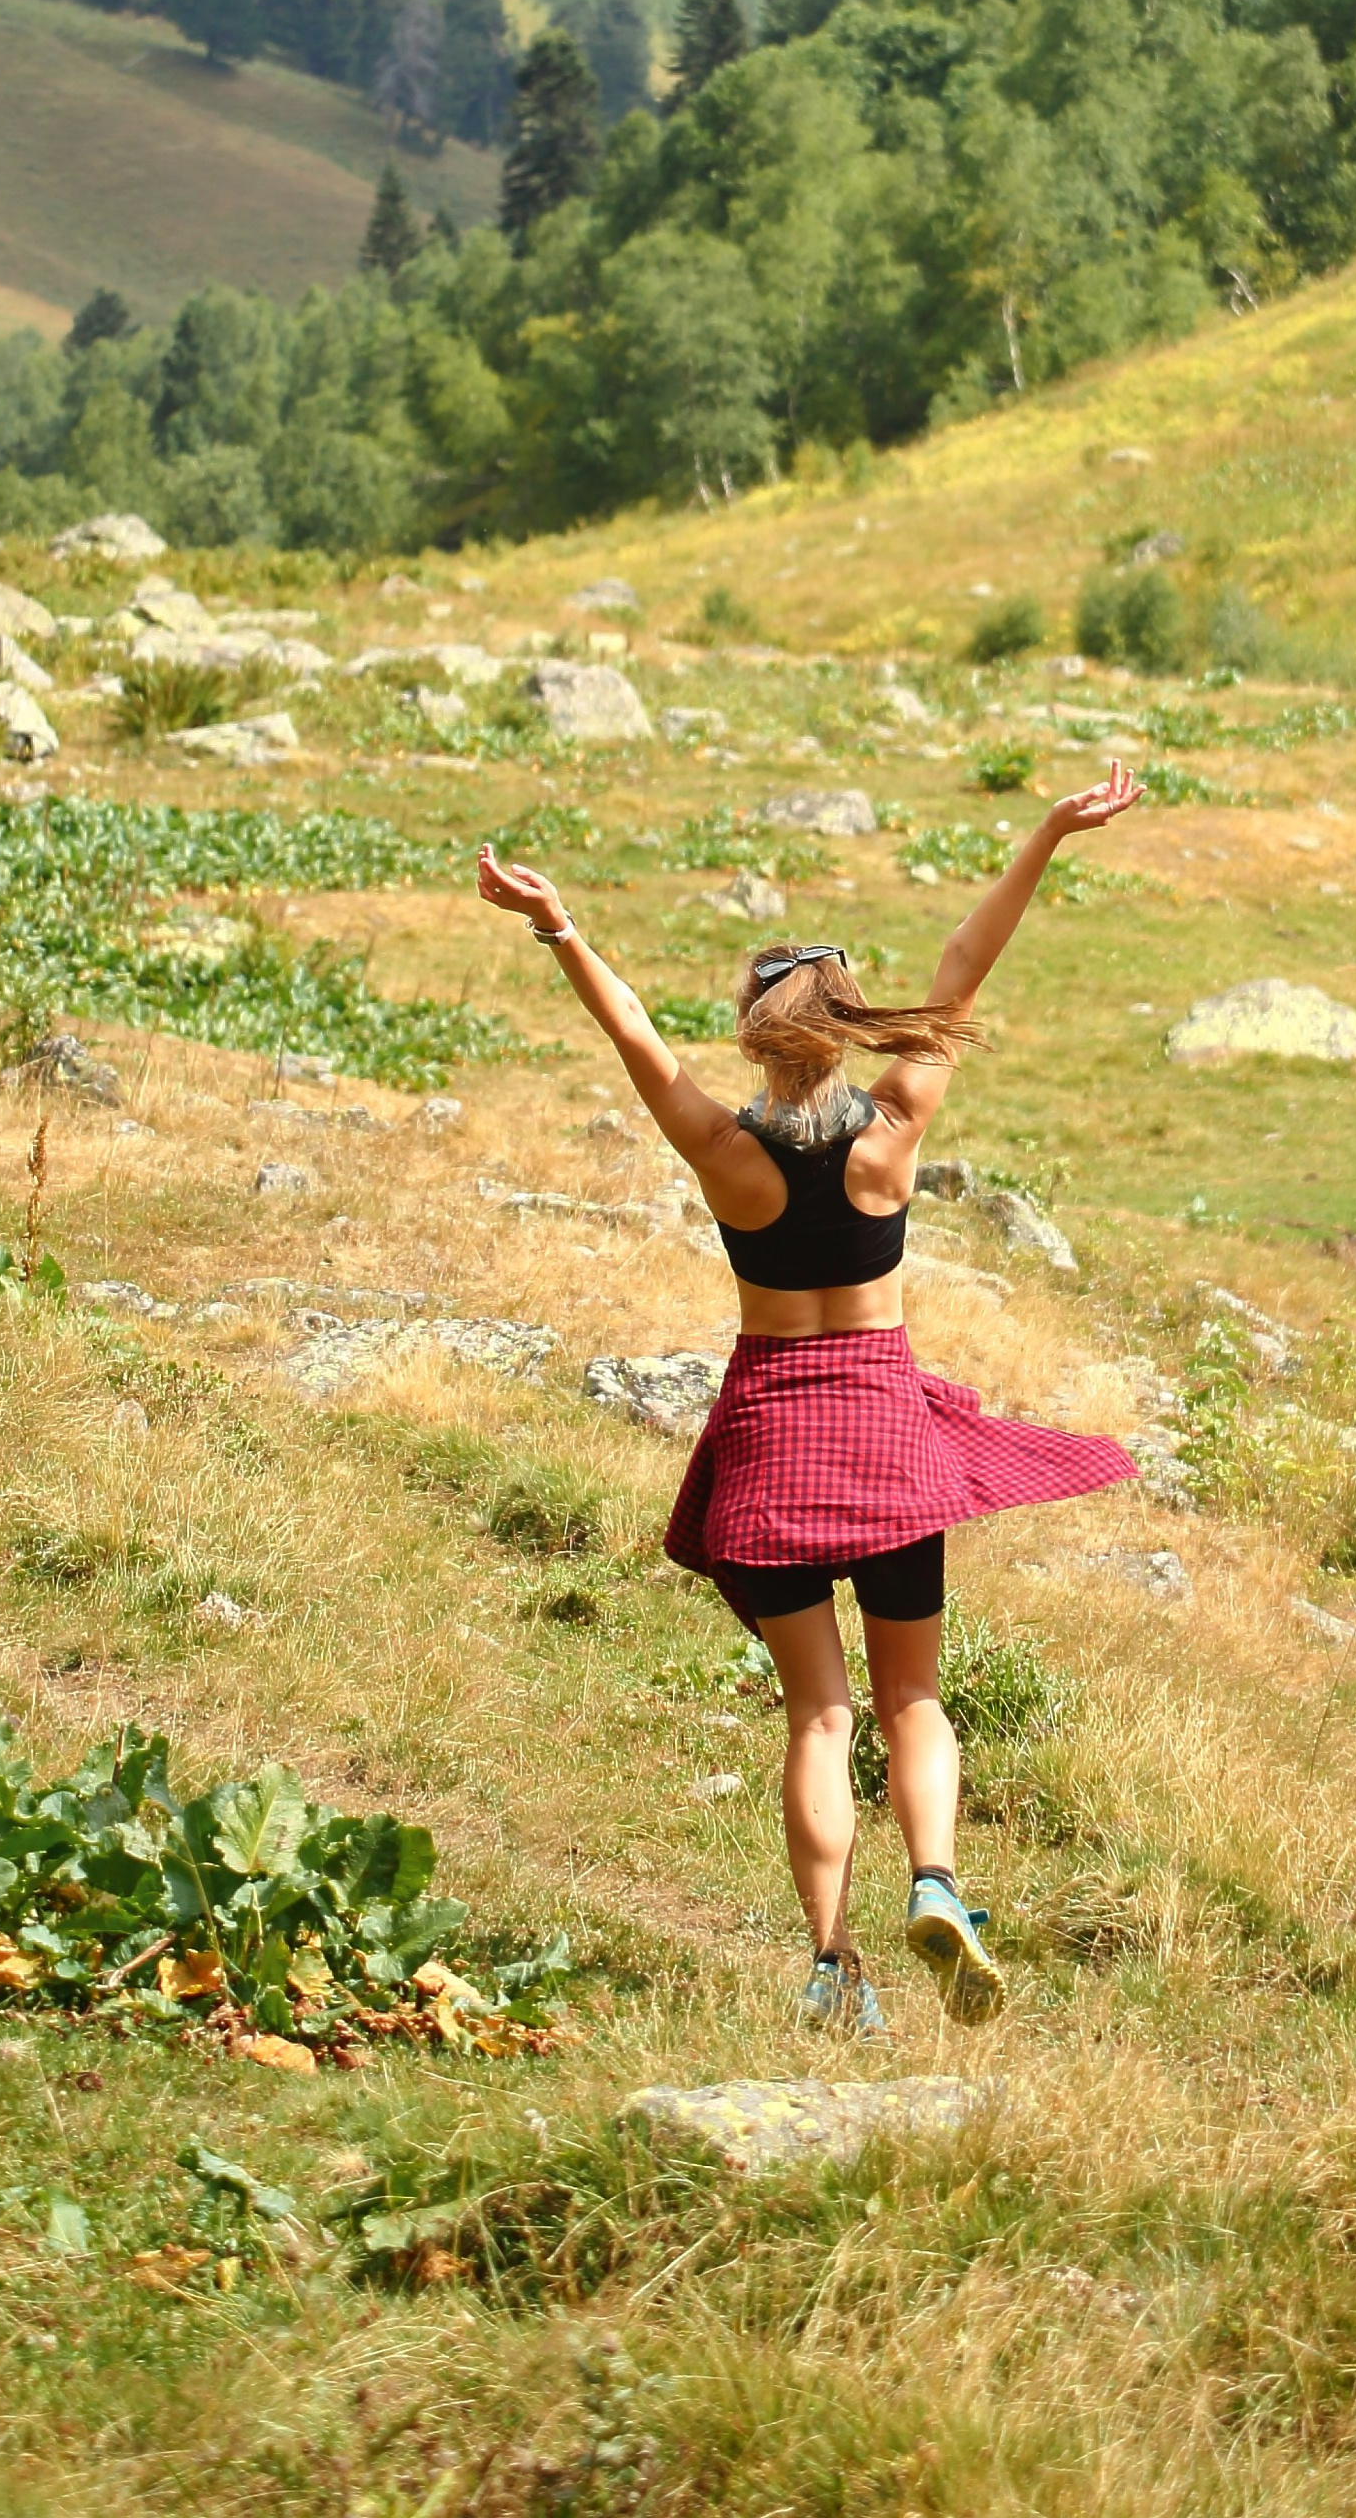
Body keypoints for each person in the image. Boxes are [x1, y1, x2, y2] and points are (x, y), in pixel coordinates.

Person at [476, 764, 1144, 2035]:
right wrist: (1050, 830)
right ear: (844, 1027)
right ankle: (938, 1881)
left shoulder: (720, 1150)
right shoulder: (894, 1125)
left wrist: (559, 924)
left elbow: (630, 1035)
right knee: (914, 1699)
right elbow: (964, 958)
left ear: (751, 1033)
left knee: (819, 1714)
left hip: (775, 1447)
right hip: (886, 1440)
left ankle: (834, 1966)